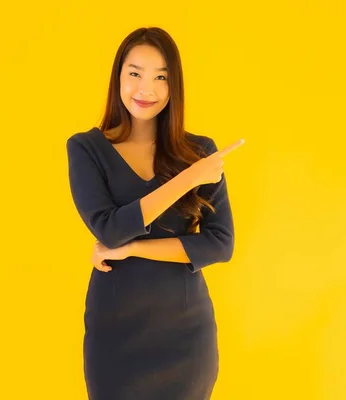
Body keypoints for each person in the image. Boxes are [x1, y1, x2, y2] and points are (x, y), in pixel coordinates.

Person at [65, 27, 244, 399]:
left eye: (160, 77)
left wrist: (134, 249)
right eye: (135, 73)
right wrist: (188, 179)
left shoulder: (199, 149)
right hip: (115, 333)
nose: (146, 89)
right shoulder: (86, 149)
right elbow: (110, 229)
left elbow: (220, 244)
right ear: (118, 77)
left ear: (173, 85)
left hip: (185, 334)